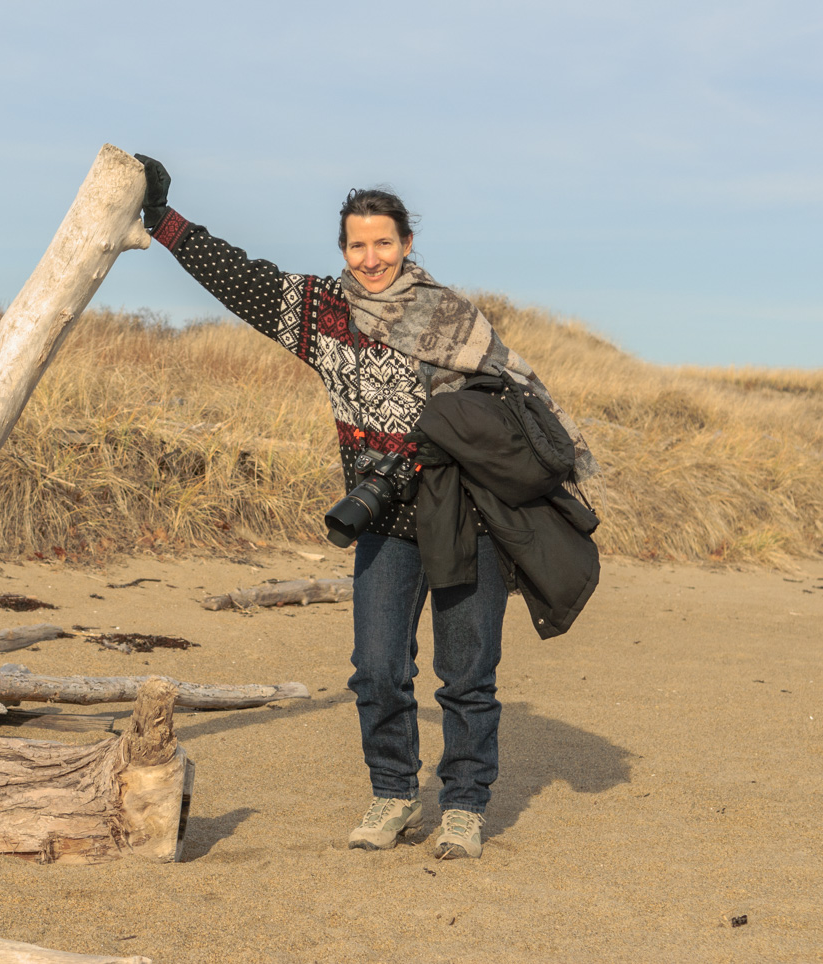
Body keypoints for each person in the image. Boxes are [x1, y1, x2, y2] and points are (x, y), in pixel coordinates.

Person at [134, 154, 599, 859]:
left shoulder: (451, 316)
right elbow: (239, 278)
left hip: (467, 515)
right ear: (344, 249)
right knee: (377, 668)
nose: (372, 257)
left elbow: (515, 407)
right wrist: (164, 222)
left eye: (384, 242)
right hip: (383, 518)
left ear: (407, 243)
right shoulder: (324, 316)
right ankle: (393, 795)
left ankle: (466, 805)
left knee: (466, 675)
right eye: (358, 244)